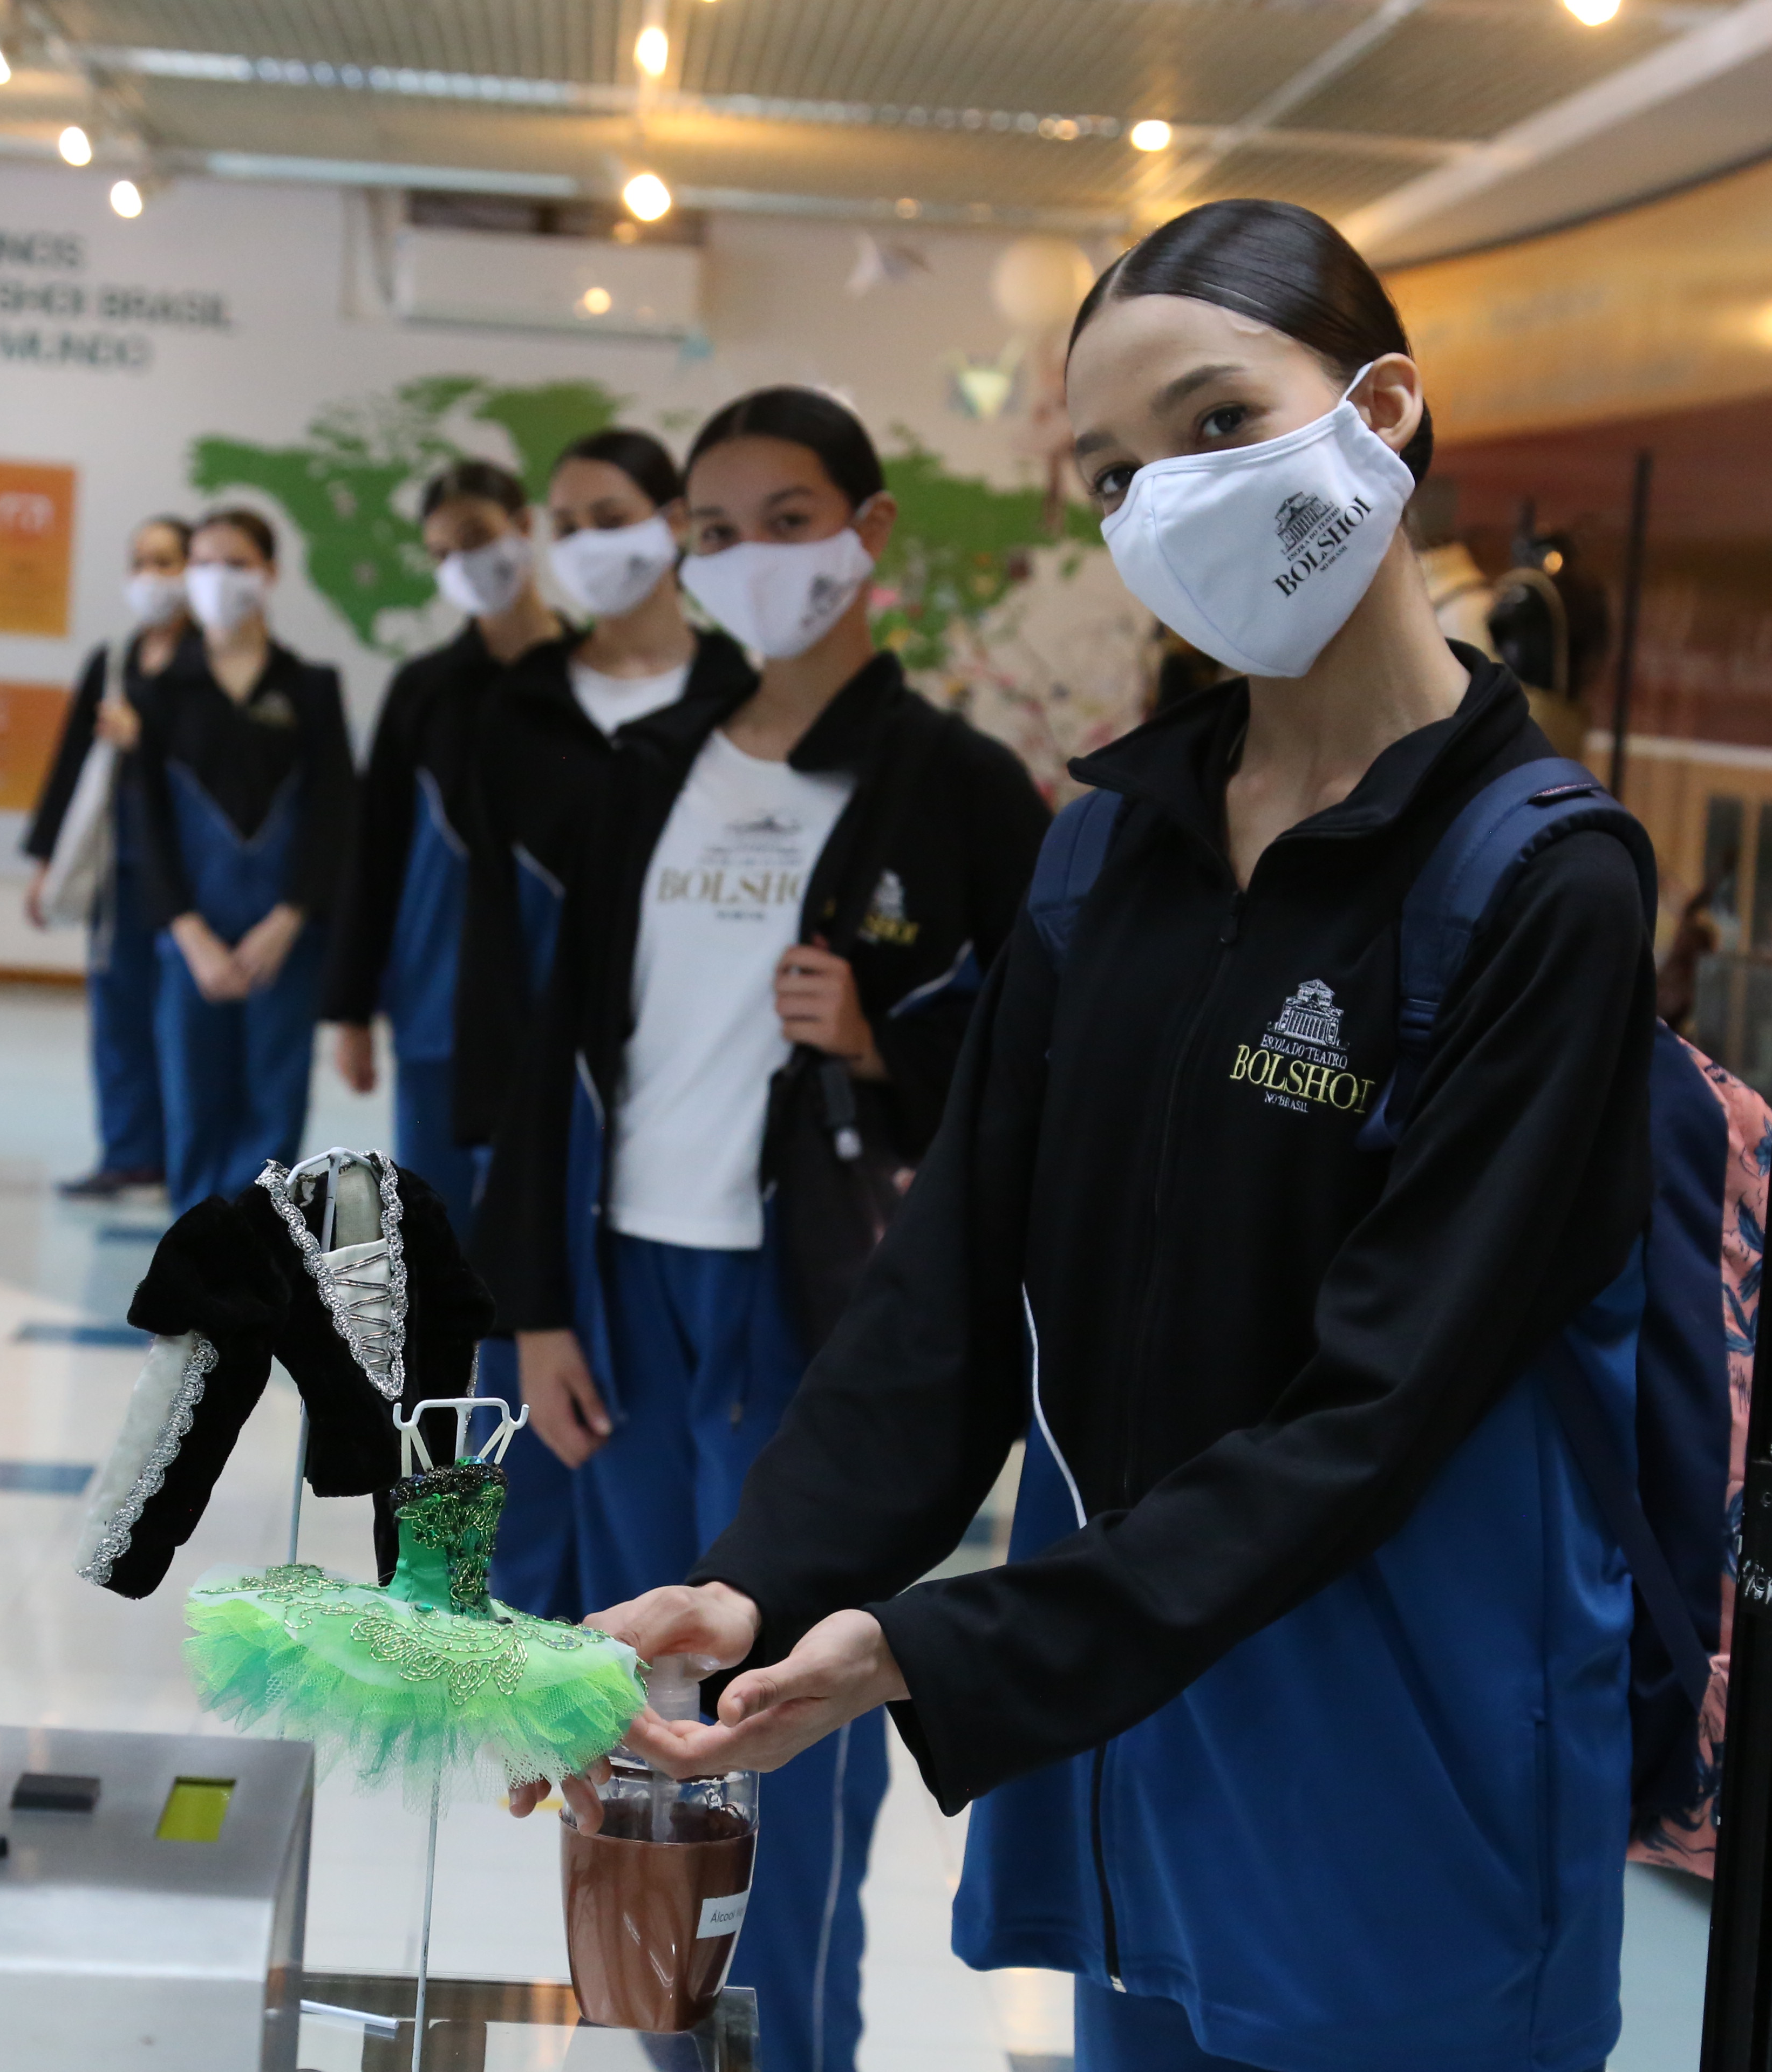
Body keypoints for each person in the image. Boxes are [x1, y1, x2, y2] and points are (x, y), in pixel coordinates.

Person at [558, 202, 1661, 2072]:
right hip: (1129, 1740)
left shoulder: (1540, 887)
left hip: (1396, 1765)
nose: (1173, 500)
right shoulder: (1110, 855)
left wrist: (936, 1648)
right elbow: (952, 1286)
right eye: (1118, 471)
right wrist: (772, 1580)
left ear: (1382, 408)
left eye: (1222, 423)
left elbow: (1375, 1413)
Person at [483, 387, 1054, 2072]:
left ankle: (786, 2055)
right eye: (714, 531)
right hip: (621, 1290)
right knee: (637, 1712)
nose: (748, 559)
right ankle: (677, 2051)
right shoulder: (640, 771)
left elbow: (1037, 1076)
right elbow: (553, 1051)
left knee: (775, 1728)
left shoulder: (959, 792)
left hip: (816, 1312)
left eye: (788, 519)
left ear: (870, 535)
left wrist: (885, 1035)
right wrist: (537, 1307)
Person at [454, 426, 755, 1623]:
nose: (586, 545)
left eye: (610, 515)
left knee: (673, 1450)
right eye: (564, 524)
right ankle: (529, 1680)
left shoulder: (744, 700)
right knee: (532, 1429)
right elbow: (486, 937)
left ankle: (675, 1679)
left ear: (676, 520)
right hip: (540, 1118)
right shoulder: (511, 709)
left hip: (695, 1115)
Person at [322, 459, 561, 1214]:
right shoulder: (424, 690)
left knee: (543, 1228)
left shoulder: (595, 681)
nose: (462, 565)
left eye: (477, 538)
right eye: (442, 554)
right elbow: (376, 848)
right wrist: (353, 1009)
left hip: (557, 1007)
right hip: (437, 1009)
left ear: (524, 529)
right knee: (439, 1235)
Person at [139, 506, 355, 1212]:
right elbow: (144, 823)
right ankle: (194, 1286)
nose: (217, 579)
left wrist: (289, 921)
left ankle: (257, 1283)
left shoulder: (311, 687)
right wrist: (190, 935)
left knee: (273, 1111)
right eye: (201, 564)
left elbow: (332, 816)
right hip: (188, 940)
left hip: (284, 941)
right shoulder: (162, 690)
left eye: (236, 563)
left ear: (270, 575)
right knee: (194, 1108)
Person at [23, 514, 190, 1199]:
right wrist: (45, 865)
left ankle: (191, 1158)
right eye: (141, 562)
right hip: (118, 875)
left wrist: (147, 736)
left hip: (188, 877)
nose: (152, 577)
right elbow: (70, 766)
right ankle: (130, 1154)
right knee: (118, 1017)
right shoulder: (113, 664)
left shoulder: (212, 666)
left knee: (182, 1024)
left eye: (167, 561)